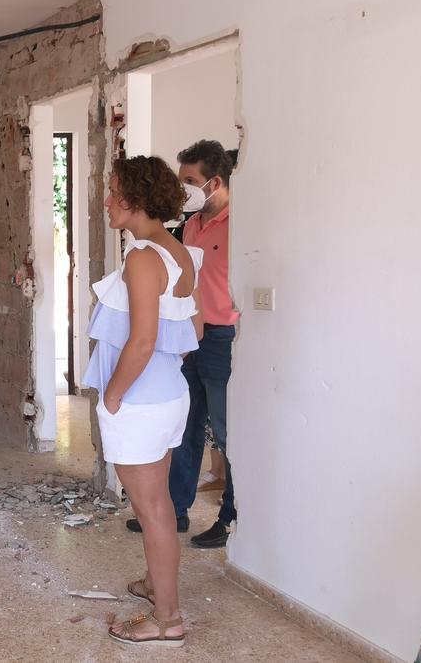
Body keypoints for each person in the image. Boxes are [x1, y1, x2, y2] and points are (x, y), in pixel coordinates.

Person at [83, 155, 201, 647]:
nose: (107, 201)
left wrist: (112, 395)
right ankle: (157, 586)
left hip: (141, 400)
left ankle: (168, 620)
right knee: (160, 503)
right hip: (170, 394)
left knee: (152, 510)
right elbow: (194, 325)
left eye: (113, 192)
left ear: (134, 199)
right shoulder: (176, 251)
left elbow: (143, 340)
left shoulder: (141, 258)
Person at [168, 139, 240, 549]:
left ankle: (229, 520)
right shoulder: (191, 225)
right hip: (189, 338)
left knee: (228, 433)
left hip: (222, 338)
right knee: (186, 427)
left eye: (190, 182)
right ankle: (175, 511)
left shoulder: (241, 223)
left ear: (214, 182)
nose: (184, 191)